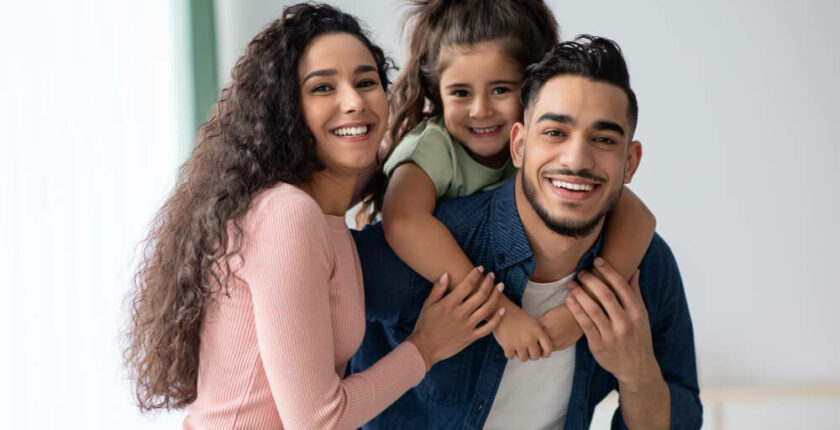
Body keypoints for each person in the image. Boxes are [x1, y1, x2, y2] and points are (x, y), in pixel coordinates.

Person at [123, 4, 506, 429]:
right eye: (323, 88)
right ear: (287, 109)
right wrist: (427, 346)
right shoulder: (287, 215)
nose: (354, 101)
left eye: (366, 82)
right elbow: (318, 422)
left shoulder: (322, 206)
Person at [352, 36, 702, 429]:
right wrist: (423, 349)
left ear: (630, 163)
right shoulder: (432, 250)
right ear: (518, 146)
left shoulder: (647, 268)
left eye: (603, 140)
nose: (577, 159)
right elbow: (298, 299)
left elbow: (681, 416)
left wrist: (638, 374)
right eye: (555, 133)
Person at [358, 0, 656, 362]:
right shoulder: (433, 146)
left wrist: (580, 314)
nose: (480, 110)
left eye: (500, 90)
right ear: (437, 92)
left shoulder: (544, 150)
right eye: (460, 93)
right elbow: (403, 222)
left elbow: (639, 217)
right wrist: (499, 313)